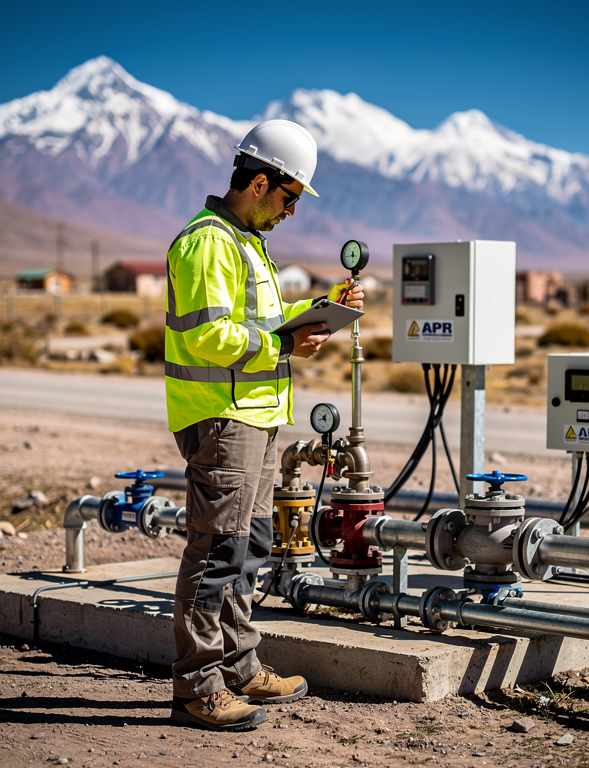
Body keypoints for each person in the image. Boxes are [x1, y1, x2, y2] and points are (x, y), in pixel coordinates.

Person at [165, 119, 364, 731]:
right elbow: (206, 336)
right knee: (215, 551)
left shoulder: (247, 243)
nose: (291, 211)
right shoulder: (208, 243)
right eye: (290, 197)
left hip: (254, 417)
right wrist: (283, 350)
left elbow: (259, 322)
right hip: (222, 421)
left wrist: (318, 311)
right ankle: (198, 686)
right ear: (259, 183)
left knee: (248, 547)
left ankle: (240, 665)